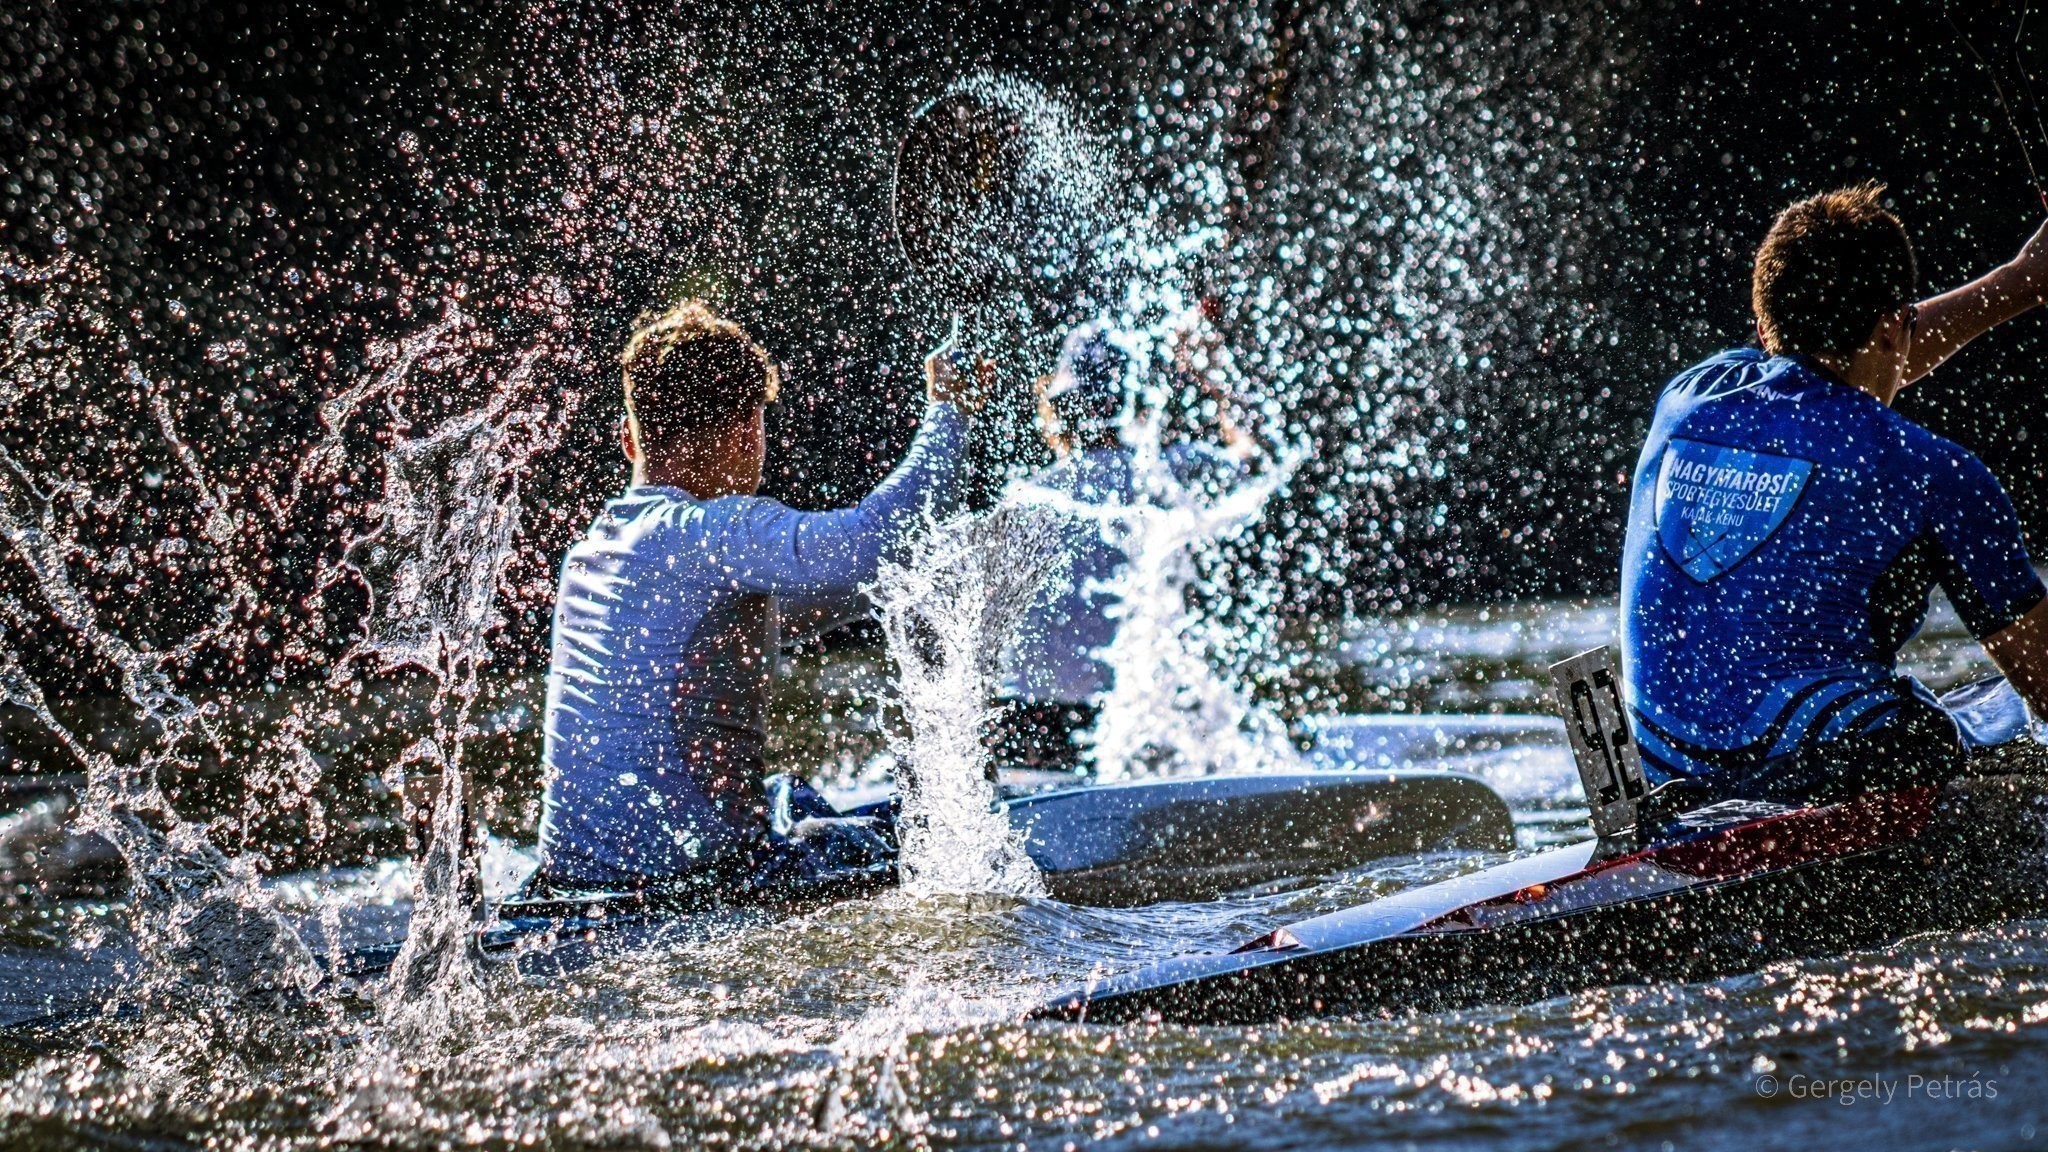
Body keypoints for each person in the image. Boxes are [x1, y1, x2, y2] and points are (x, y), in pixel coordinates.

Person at [1621, 183, 2048, 810]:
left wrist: (2021, 281)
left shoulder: (1689, 396)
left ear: (1767, 318)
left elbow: (1849, 359)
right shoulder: (1933, 471)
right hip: (1823, 777)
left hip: (1664, 774)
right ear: (1886, 328)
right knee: (1971, 727)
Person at [535, 300, 988, 891]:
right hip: (681, 886)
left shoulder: (596, 553)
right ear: (749, 430)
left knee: (794, 800)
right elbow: (880, 542)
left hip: (571, 880)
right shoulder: (704, 531)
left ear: (628, 438)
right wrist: (948, 412)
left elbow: (786, 610)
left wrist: (910, 585)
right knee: (918, 835)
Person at [992, 316, 1253, 772]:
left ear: (1056, 411)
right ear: (1138, 411)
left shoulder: (1024, 498)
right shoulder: (1172, 474)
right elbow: (1263, 470)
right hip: (1128, 727)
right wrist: (1216, 381)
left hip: (1025, 729)